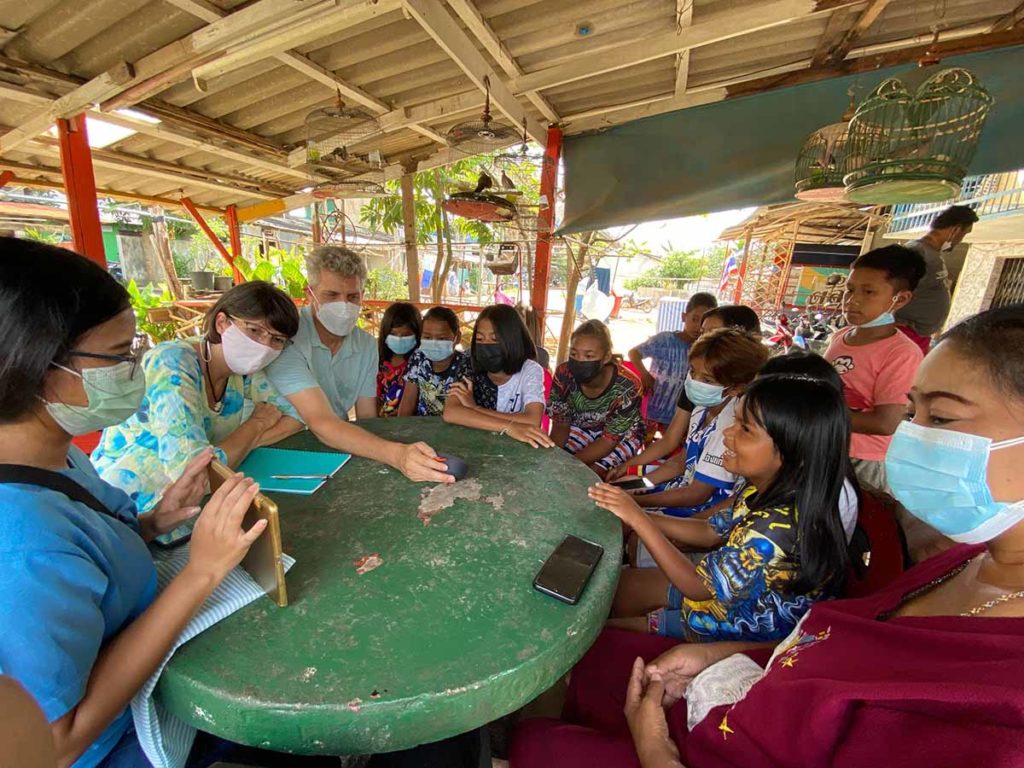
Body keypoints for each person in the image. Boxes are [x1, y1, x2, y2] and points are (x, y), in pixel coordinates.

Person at [510, 304, 1024, 768]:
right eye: (914, 413)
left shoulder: (785, 521)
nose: (909, 433)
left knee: (555, 700)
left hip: (723, 633)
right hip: (734, 656)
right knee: (593, 605)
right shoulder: (958, 562)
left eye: (942, 417)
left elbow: (703, 585)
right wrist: (629, 507)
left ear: (788, 443)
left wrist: (655, 742)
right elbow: (713, 531)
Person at [0, 238, 268, 768]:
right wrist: (202, 573)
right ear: (41, 365)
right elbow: (56, 742)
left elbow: (88, 547)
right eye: (120, 356)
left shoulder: (53, 454)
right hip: (126, 743)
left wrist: (153, 521)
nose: (136, 370)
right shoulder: (22, 545)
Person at [594, 372, 851, 641]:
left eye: (745, 429)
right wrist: (635, 512)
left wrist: (639, 519)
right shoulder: (762, 489)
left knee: (602, 631)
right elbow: (709, 531)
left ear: (791, 448)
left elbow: (697, 587)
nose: (728, 432)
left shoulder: (774, 530)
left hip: (742, 629)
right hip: (723, 599)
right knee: (619, 590)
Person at [92, 281, 303, 513]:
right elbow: (192, 474)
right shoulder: (171, 364)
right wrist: (256, 425)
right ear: (222, 323)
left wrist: (238, 447)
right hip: (126, 513)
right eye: (254, 330)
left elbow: (297, 415)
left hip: (188, 510)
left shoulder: (244, 373)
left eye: (277, 340)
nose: (264, 345)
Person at [265, 246, 452, 483]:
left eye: (352, 296)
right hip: (282, 452)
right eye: (331, 295)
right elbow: (320, 421)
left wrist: (387, 457)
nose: (343, 305)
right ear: (309, 293)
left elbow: (366, 417)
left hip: (338, 451)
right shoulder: (285, 338)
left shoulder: (365, 345)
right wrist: (397, 455)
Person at [607, 307, 760, 484]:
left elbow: (699, 492)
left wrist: (636, 496)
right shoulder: (699, 389)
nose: (704, 340)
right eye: (702, 333)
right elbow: (674, 444)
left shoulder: (736, 417)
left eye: (714, 333)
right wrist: (629, 472)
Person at [628, 329, 768, 517]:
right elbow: (679, 463)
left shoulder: (729, 428)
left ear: (735, 388)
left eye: (707, 379)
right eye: (693, 371)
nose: (694, 381)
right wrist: (637, 485)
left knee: (628, 522)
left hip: (703, 509)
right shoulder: (703, 408)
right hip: (681, 488)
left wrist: (636, 502)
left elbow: (697, 494)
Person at [825, 245, 926, 493]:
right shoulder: (841, 337)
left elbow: (885, 423)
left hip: (863, 461)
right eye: (849, 290)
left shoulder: (901, 353)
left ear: (900, 299)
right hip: (827, 446)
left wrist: (817, 415)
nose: (852, 300)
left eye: (868, 292)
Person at [443, 304, 553, 448]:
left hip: (515, 449)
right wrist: (510, 427)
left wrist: (475, 409)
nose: (486, 346)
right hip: (473, 445)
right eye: (480, 339)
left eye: (494, 339)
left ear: (513, 340)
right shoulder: (469, 362)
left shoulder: (530, 370)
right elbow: (451, 412)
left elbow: (532, 420)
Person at [548, 320, 645, 477]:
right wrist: (553, 457)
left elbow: (609, 440)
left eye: (589, 355)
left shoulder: (628, 386)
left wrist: (568, 464)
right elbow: (560, 425)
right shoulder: (564, 374)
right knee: (556, 467)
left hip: (622, 436)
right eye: (573, 354)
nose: (579, 360)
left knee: (594, 474)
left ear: (606, 357)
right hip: (579, 428)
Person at [628, 292, 718, 434]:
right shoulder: (664, 340)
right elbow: (634, 353)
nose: (698, 327)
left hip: (678, 414)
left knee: (668, 445)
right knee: (643, 440)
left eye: (704, 324)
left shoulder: (705, 351)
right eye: (695, 319)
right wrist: (644, 375)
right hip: (651, 408)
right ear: (684, 316)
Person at [897, 204, 979, 353]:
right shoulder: (917, 251)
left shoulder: (933, 254)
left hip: (917, 336)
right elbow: (892, 290)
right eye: (964, 234)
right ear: (955, 230)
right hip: (905, 332)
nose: (960, 240)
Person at [398, 306, 472, 417]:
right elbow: (408, 400)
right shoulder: (418, 358)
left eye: (441, 338)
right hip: (421, 426)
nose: (434, 343)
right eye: (427, 337)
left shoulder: (465, 364)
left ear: (457, 338)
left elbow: (461, 408)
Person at [376, 302, 421, 417]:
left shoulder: (420, 363)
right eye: (393, 334)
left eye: (406, 335)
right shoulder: (377, 360)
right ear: (385, 333)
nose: (399, 339)